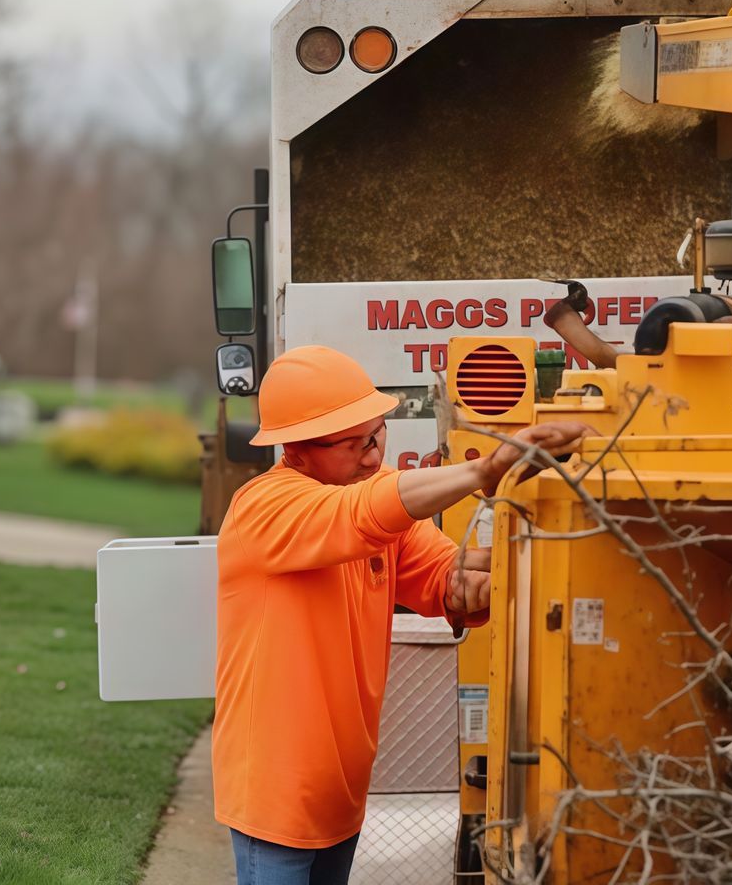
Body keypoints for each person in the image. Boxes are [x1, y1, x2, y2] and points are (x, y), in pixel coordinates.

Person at [214, 344, 592, 885]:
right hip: (274, 794)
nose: (373, 456)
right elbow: (361, 514)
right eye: (354, 443)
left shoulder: (369, 500)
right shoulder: (266, 507)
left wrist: (532, 551)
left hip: (340, 791)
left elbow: (448, 577)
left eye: (377, 434)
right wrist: (483, 469)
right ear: (296, 447)